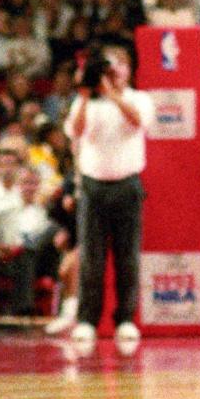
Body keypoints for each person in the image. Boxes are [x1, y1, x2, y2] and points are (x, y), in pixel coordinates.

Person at [63, 43, 154, 352]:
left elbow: (138, 121)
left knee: (128, 256)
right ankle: (87, 320)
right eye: (108, 66)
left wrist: (113, 93)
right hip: (93, 187)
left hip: (127, 185)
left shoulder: (138, 98)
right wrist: (88, 96)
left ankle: (126, 319)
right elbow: (75, 131)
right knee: (91, 258)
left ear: (129, 70)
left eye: (119, 66)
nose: (114, 72)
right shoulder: (86, 100)